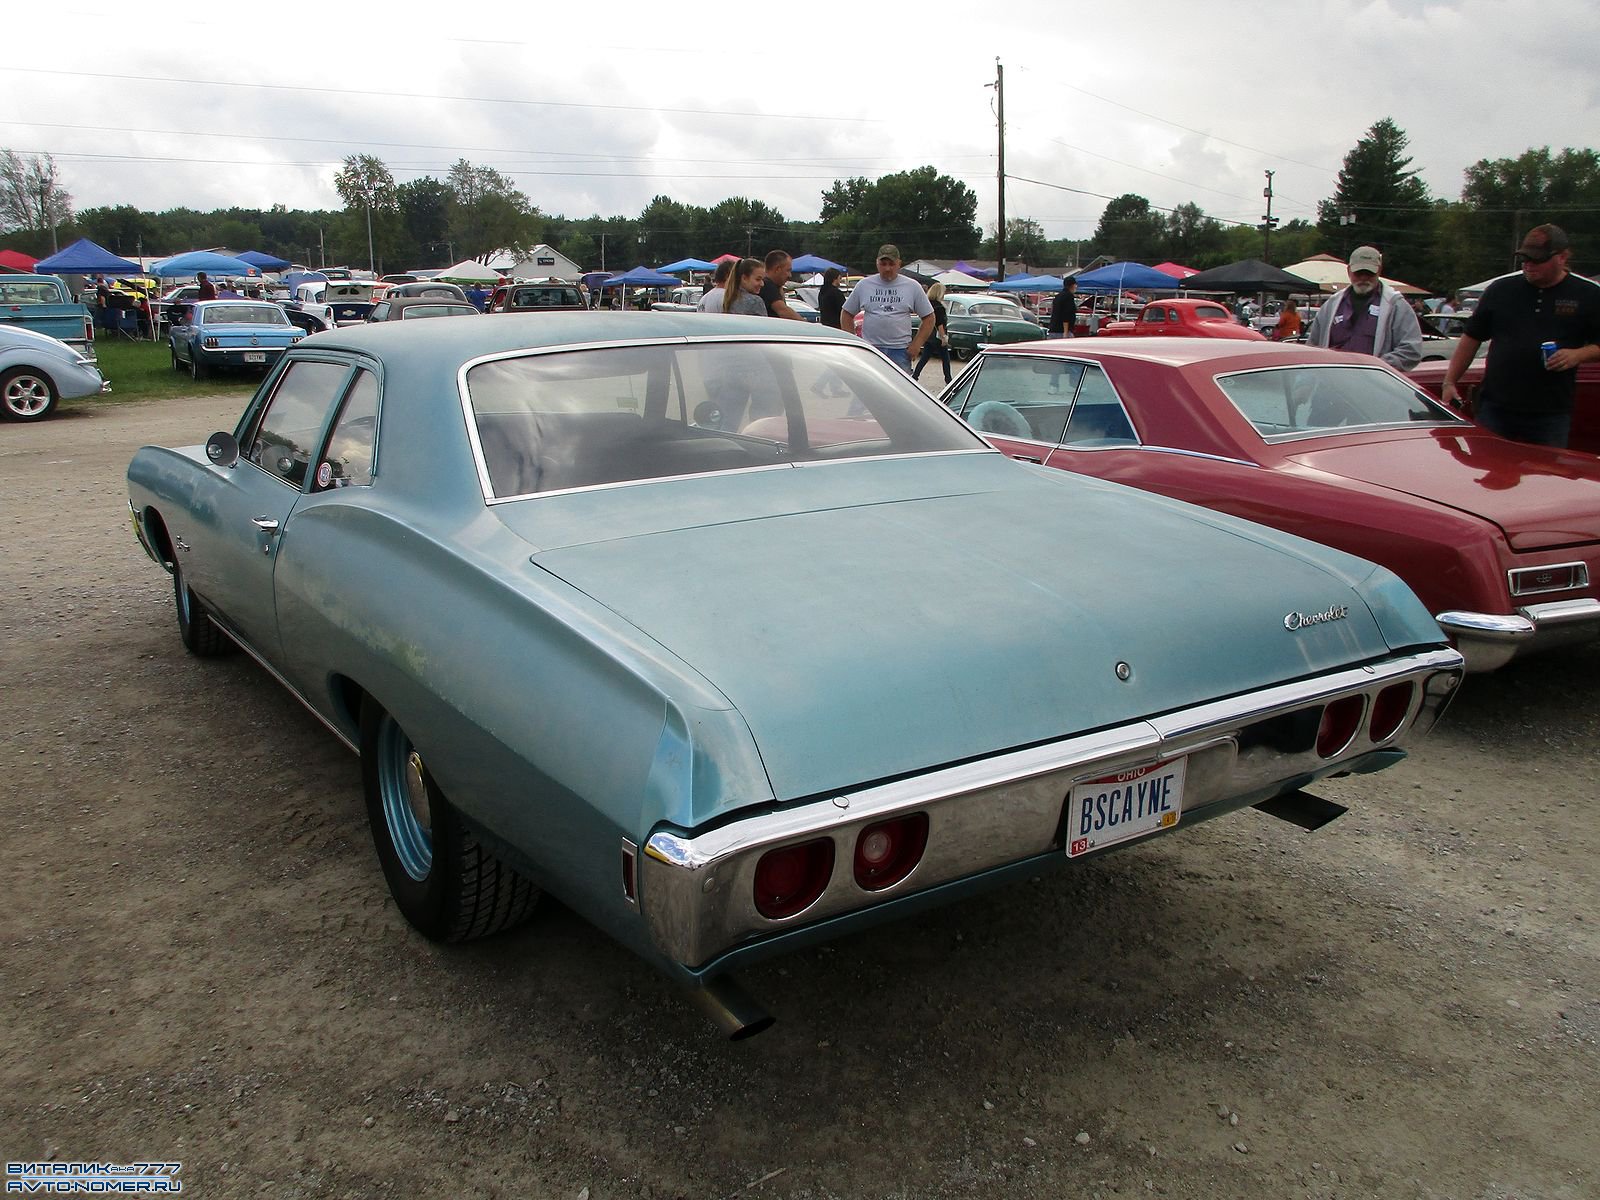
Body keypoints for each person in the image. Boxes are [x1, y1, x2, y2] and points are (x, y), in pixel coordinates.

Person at [1441, 224, 1600, 448]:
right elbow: (1472, 337)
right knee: (1489, 471)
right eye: (1524, 259)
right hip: (1496, 407)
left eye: (1537, 260)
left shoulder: (1588, 294)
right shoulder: (1501, 290)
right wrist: (1450, 381)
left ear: (1562, 257)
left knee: (1544, 478)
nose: (1528, 265)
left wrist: (1577, 355)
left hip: (1550, 412)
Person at [1305, 245, 1422, 370]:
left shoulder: (1396, 305)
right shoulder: (1331, 305)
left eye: (1369, 273)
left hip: (1375, 384)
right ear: (1349, 270)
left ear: (1379, 270)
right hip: (1334, 382)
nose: (1363, 278)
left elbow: (1411, 350)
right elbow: (1313, 347)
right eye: (1358, 273)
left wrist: (1377, 366)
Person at [841, 244, 934, 371]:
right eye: (883, 264)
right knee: (869, 386)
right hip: (871, 349)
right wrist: (853, 342)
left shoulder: (912, 286)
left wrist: (917, 344)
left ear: (899, 264)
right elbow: (846, 313)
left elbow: (929, 318)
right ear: (877, 263)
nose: (887, 268)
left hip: (900, 350)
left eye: (891, 264)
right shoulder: (864, 285)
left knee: (900, 388)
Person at [912, 282, 953, 384]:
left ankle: (915, 376)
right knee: (945, 359)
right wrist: (943, 337)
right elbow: (940, 323)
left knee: (925, 357)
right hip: (937, 336)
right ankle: (948, 380)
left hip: (928, 334)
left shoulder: (928, 304)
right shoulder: (939, 307)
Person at [760, 250, 804, 320]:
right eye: (788, 270)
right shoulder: (767, 285)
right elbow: (783, 311)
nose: (790, 275)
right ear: (777, 269)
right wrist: (806, 324)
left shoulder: (772, 285)